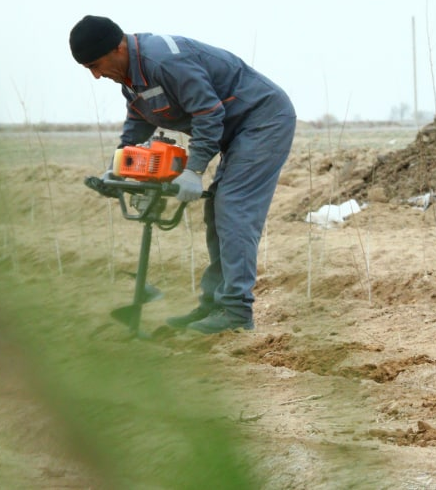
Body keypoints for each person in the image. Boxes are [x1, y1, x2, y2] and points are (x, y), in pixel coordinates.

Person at [70, 16, 296, 335]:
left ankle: (236, 312)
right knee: (217, 210)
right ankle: (215, 304)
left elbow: (208, 112)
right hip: (233, 129)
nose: (96, 75)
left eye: (96, 65)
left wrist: (194, 170)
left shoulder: (163, 60)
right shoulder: (129, 77)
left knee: (234, 206)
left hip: (262, 119)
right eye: (87, 69)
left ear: (118, 47)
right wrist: (119, 164)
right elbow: (139, 119)